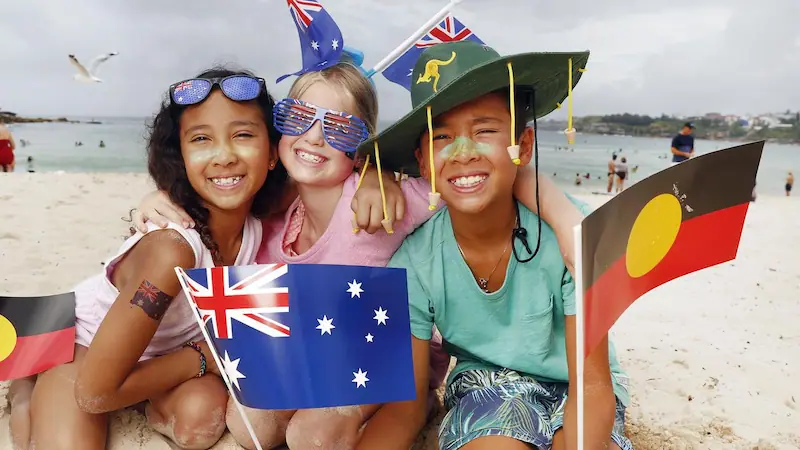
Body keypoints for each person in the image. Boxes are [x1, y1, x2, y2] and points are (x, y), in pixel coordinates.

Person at [133, 59, 586, 449]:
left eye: (339, 128)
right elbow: (216, 197)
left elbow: (481, 174)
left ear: (362, 145)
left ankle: (405, 411)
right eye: (298, 118)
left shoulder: (383, 204)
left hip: (385, 361)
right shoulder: (269, 213)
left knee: (309, 436)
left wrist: (564, 217)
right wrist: (159, 196)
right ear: (278, 130)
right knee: (251, 427)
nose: (314, 138)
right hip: (311, 355)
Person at [353, 41, 632, 450]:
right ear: (423, 160)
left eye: (484, 131)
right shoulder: (415, 262)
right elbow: (405, 408)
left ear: (524, 146)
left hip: (577, 380)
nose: (463, 152)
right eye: (442, 136)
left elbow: (591, 385)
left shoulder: (571, 237)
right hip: (485, 383)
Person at [7, 67, 294, 450]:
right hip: (85, 348)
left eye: (242, 135)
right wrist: (204, 356)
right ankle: (26, 387)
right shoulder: (173, 249)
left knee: (201, 418)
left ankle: (143, 399)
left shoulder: (261, 219)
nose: (224, 156)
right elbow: (95, 392)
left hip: (159, 354)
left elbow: (331, 175)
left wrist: (374, 179)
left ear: (273, 153)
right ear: (181, 157)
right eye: (201, 139)